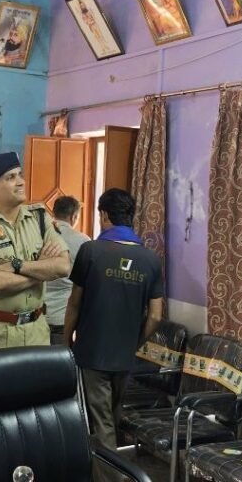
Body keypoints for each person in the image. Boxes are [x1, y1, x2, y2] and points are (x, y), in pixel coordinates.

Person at [64, 188, 164, 457]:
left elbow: (74, 303)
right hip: (125, 355)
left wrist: (66, 340)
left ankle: (111, 474)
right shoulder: (151, 260)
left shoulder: (90, 251)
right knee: (113, 415)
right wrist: (136, 343)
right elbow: (156, 315)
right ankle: (111, 468)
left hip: (92, 353)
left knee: (101, 423)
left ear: (104, 215)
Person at [0, 152, 70, 350]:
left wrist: (17, 265)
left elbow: (63, 266)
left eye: (20, 175)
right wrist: (42, 271)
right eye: (11, 177)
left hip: (38, 331)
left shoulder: (40, 218)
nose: (21, 182)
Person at [43, 196, 90, 346]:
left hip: (36, 316)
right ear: (74, 216)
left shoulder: (39, 236)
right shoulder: (83, 242)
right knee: (59, 359)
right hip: (63, 318)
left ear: (54, 212)